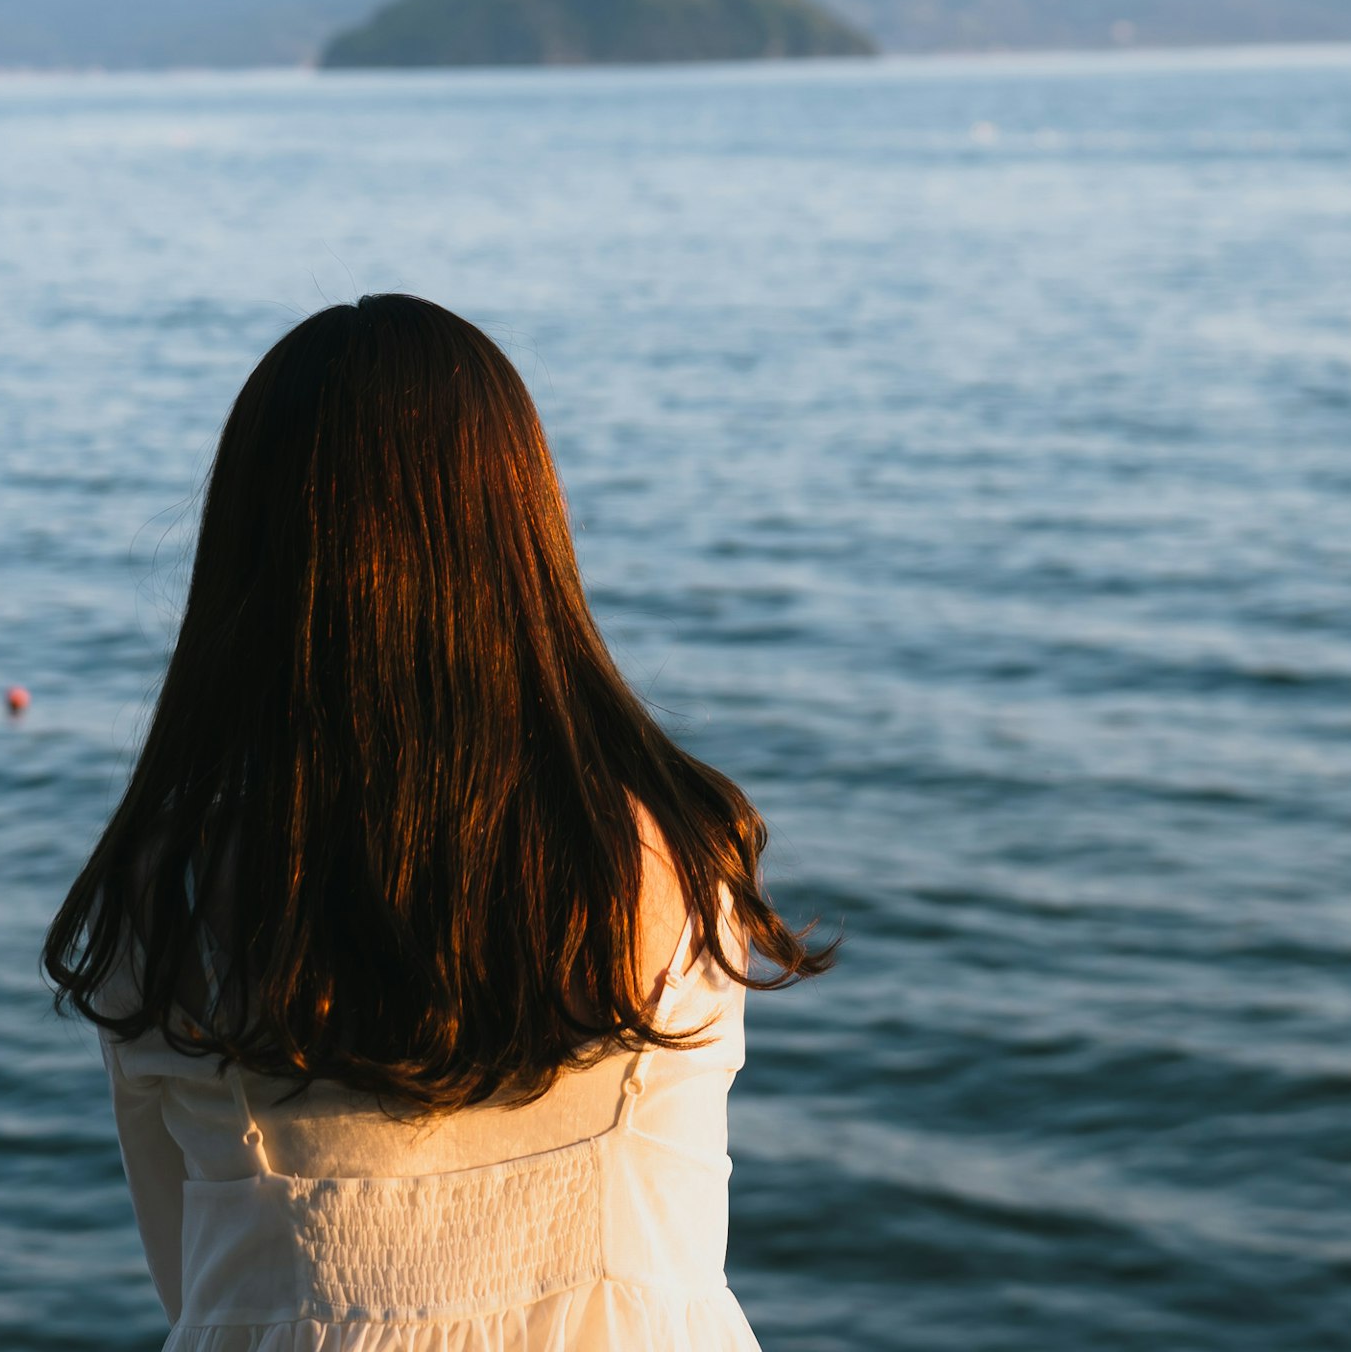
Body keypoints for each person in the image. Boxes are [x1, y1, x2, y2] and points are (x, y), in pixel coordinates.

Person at [47, 294, 830, 1349]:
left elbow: (186, 1280)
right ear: (522, 535)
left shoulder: (172, 901)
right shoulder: (675, 867)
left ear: (251, 557)